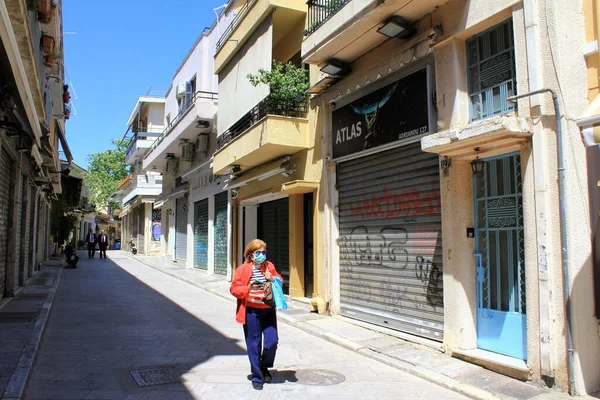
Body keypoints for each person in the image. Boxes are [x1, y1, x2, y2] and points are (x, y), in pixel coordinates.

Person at [230, 239, 282, 391]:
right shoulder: (243, 269)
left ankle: (264, 365)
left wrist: (272, 278)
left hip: (268, 310)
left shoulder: (269, 266)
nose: (261, 255)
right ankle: (257, 375)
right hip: (251, 311)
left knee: (272, 341)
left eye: (263, 252)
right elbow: (234, 289)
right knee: (254, 343)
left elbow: (280, 280)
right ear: (251, 254)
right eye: (258, 252)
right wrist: (247, 288)